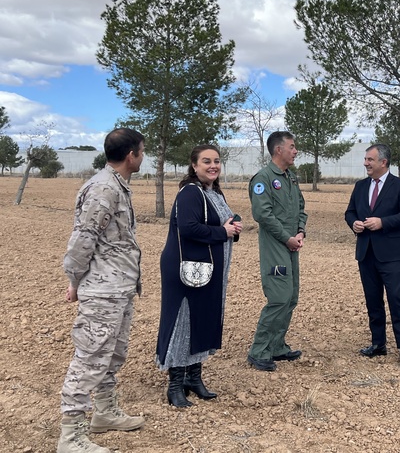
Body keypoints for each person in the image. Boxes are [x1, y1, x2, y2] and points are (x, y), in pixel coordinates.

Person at [58, 128, 146, 453]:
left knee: (113, 355)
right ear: (130, 156)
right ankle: (71, 437)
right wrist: (74, 281)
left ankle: (105, 413)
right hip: (102, 291)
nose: (143, 156)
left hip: (120, 288)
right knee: (90, 359)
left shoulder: (119, 186)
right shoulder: (103, 189)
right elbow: (82, 241)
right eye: (141, 151)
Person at [156, 144, 243, 407]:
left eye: (217, 161)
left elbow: (220, 224)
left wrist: (232, 228)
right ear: (194, 166)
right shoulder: (190, 193)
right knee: (184, 320)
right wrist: (222, 232)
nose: (213, 165)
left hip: (208, 270)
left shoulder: (213, 191)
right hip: (188, 270)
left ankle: (194, 378)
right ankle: (175, 384)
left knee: (202, 319)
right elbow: (189, 227)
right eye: (206, 161)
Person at [344, 143, 400, 366]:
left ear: (383, 162)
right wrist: (354, 223)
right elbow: (350, 212)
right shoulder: (360, 186)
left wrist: (382, 222)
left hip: (392, 254)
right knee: (372, 299)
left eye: (370, 159)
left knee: (396, 299)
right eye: (366, 159)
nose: (365, 163)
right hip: (366, 253)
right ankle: (378, 344)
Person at [246, 131, 308, 371]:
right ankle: (259, 350)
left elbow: (301, 207)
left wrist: (301, 231)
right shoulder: (262, 179)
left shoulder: (290, 177)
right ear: (278, 150)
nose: (295, 151)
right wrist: (287, 238)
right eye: (292, 147)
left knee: (291, 297)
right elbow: (263, 215)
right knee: (279, 297)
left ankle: (277, 346)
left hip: (292, 245)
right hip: (276, 247)